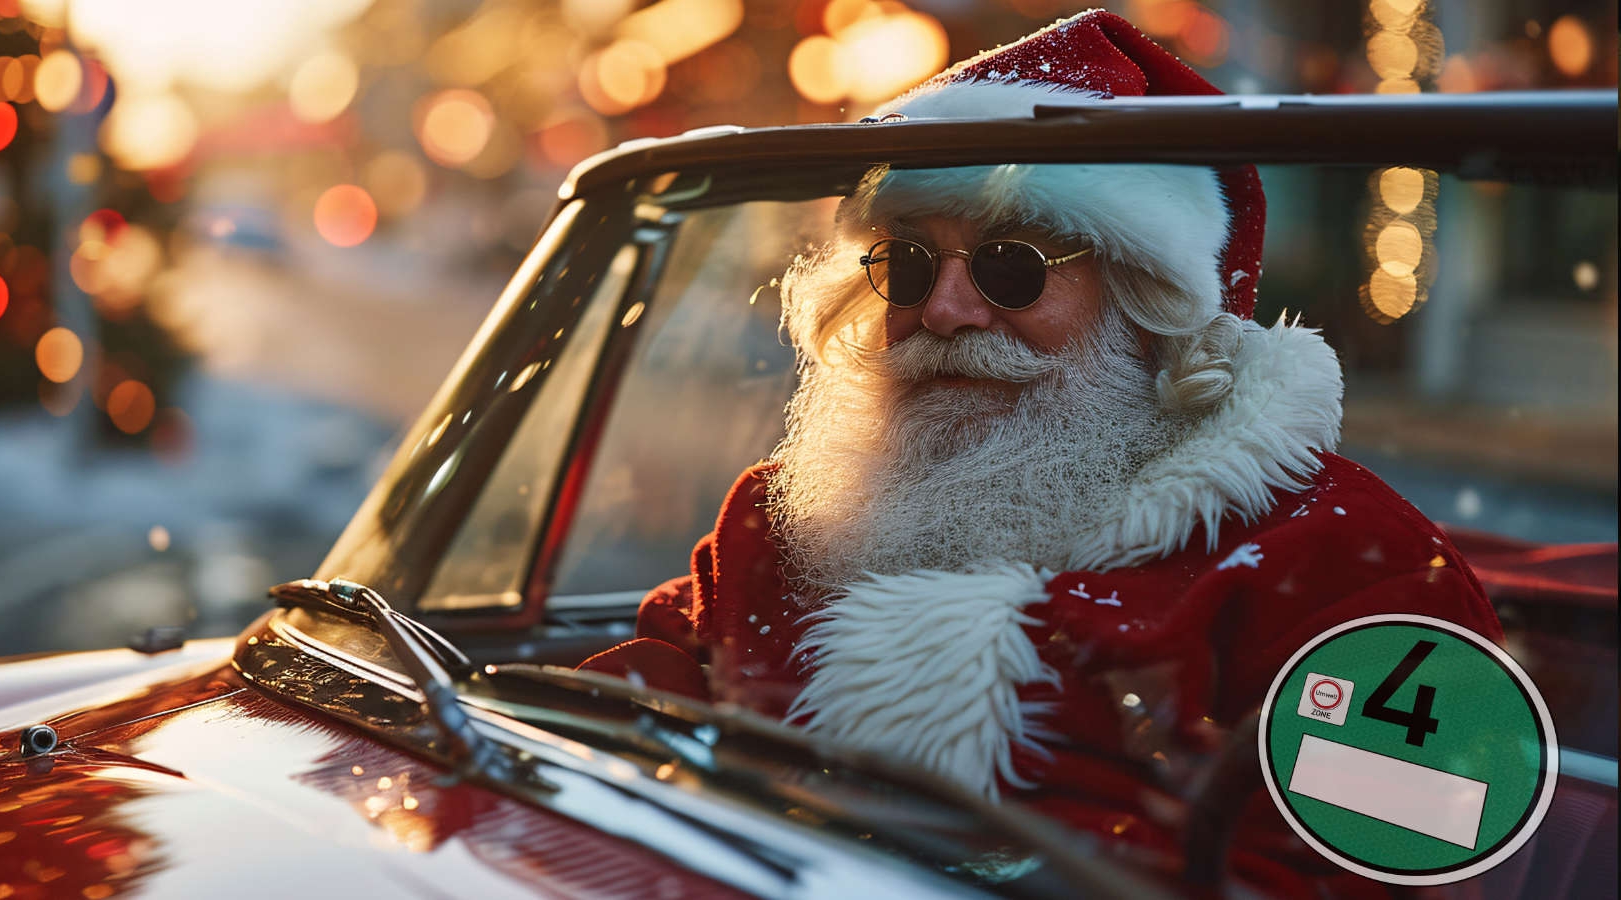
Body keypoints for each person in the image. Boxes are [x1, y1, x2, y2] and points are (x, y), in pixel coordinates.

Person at [579, 8, 1504, 893]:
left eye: (1012, 266)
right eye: (907, 264)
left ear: (1152, 311)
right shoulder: (788, 520)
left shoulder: (1353, 564)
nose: (944, 313)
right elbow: (616, 720)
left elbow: (1401, 862)